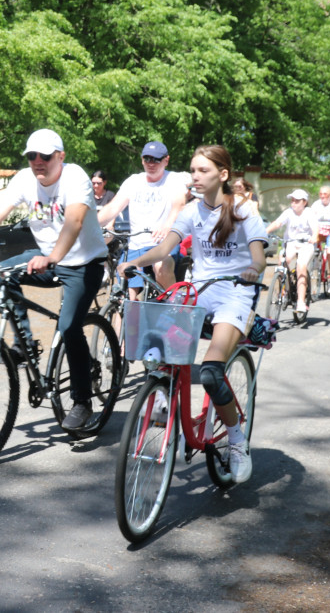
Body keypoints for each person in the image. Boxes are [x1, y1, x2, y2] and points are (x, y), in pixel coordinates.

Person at [118, 144, 267, 484]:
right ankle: (165, 399)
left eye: (203, 171)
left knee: (212, 373)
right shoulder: (190, 210)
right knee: (158, 352)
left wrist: (252, 270)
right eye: (193, 170)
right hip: (198, 291)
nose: (195, 177)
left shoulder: (243, 208)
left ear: (223, 175)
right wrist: (135, 262)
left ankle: (237, 442)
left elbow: (258, 256)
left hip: (234, 293)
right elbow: (163, 248)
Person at [0, 128, 108, 430]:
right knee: (4, 275)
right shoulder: (24, 179)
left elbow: (74, 221)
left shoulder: (75, 178)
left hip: (83, 263)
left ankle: (83, 401)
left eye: (45, 156)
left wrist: (52, 257)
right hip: (47, 258)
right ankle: (26, 343)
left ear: (60, 156)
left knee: (69, 326)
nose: (38, 161)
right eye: (32, 155)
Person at [96, 141, 187, 296]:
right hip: (135, 245)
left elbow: (179, 205)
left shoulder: (174, 179)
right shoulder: (133, 181)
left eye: (156, 159)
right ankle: (122, 319)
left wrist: (167, 225)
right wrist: (88, 225)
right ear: (142, 160)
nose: (151, 163)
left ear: (166, 160)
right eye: (147, 159)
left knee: (161, 267)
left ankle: (175, 304)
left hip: (163, 244)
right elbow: (113, 207)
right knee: (123, 296)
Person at [266, 189, 318, 313]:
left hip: (306, 244)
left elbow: (315, 228)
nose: (293, 203)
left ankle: (300, 302)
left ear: (304, 202)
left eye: (297, 201)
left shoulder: (308, 212)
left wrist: (314, 236)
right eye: (292, 200)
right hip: (291, 243)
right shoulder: (288, 212)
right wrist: (265, 231)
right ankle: (285, 290)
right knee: (283, 262)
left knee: (301, 266)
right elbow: (278, 223)